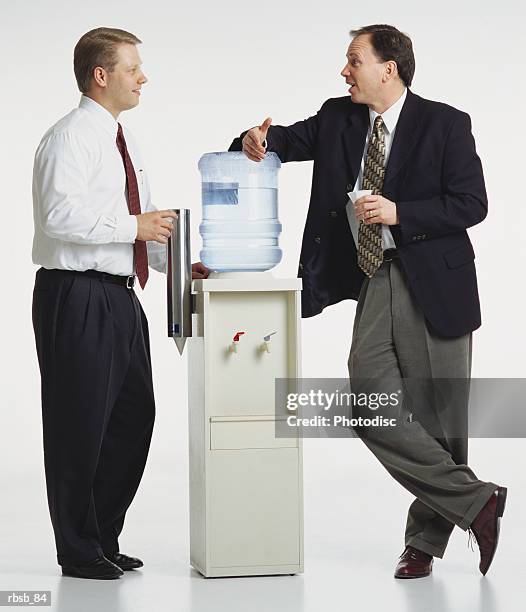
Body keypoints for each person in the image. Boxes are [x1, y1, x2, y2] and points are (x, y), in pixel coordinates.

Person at [230, 24, 506, 579]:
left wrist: (400, 213)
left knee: (439, 420)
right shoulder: (339, 117)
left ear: (390, 67)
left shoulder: (446, 124)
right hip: (377, 276)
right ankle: (477, 501)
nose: (344, 70)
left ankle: (424, 544)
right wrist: (253, 140)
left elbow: (471, 203)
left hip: (435, 279)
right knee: (366, 398)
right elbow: (281, 139)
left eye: (354, 60)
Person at [32, 27, 209, 580]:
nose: (143, 78)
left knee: (133, 418)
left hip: (120, 297)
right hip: (76, 294)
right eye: (133, 69)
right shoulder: (69, 138)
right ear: (101, 75)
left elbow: (143, 227)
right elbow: (57, 218)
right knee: (78, 423)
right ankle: (77, 550)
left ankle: (103, 536)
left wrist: (177, 264)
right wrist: (137, 224)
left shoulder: (121, 141)